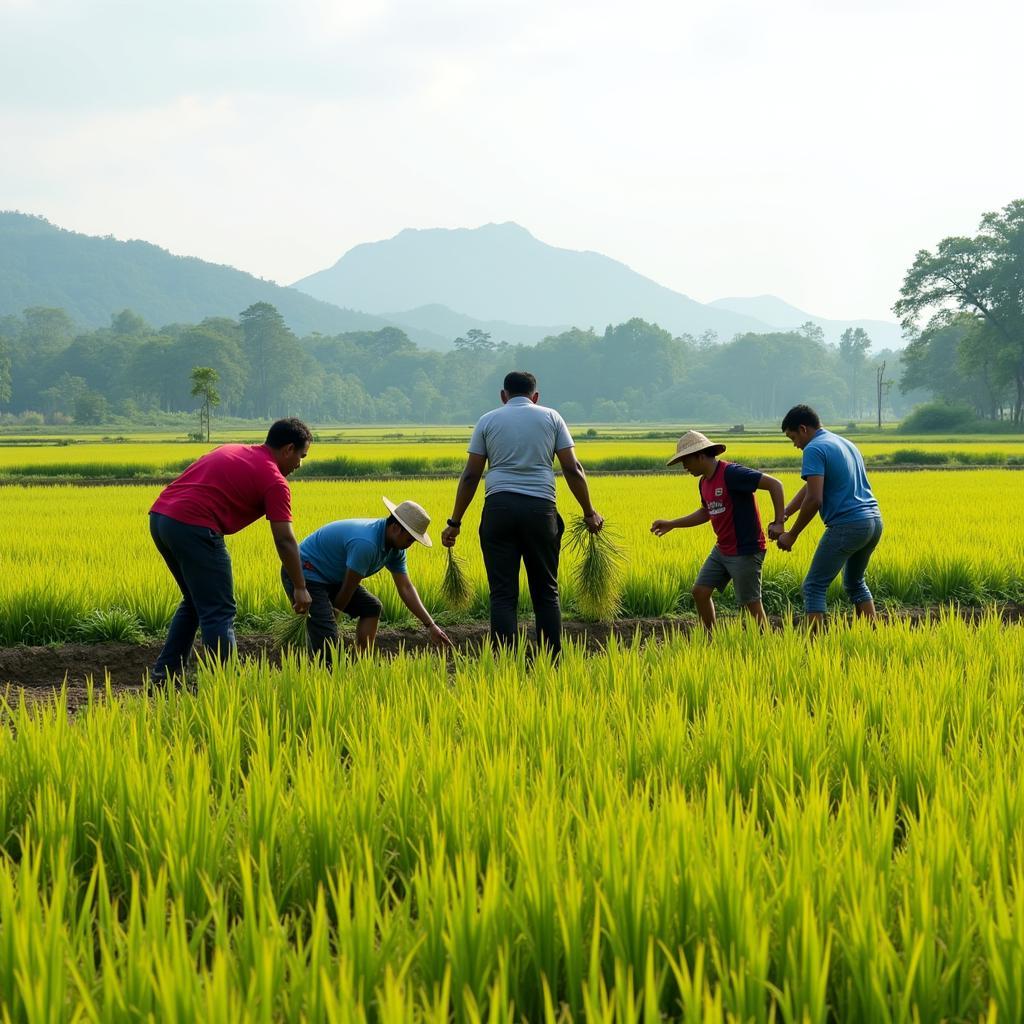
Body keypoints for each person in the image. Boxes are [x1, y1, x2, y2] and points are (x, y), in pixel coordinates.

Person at [441, 371, 603, 658]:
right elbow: (572, 468)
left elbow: (470, 476)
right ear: (535, 396)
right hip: (540, 511)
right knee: (546, 593)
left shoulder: (488, 420)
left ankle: (505, 662)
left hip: (498, 509)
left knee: (502, 595)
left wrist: (455, 522)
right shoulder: (552, 417)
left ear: (503, 396)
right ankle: (551, 661)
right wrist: (589, 513)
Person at [149, 417, 313, 685]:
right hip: (195, 527)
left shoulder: (231, 449)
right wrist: (300, 586)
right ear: (288, 449)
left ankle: (163, 676)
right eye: (301, 456)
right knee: (219, 611)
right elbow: (284, 539)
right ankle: (226, 684)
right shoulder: (275, 481)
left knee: (195, 602)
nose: (299, 464)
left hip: (160, 519)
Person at [282, 497, 454, 658]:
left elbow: (406, 588)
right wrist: (334, 613)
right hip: (304, 573)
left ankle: (362, 660)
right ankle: (322, 671)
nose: (410, 545)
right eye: (410, 539)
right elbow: (348, 586)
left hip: (332, 578)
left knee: (371, 607)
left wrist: (430, 625)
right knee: (328, 641)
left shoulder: (396, 549)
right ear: (395, 528)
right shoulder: (367, 544)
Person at [651, 430, 785, 631]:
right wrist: (672, 523)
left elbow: (775, 484)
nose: (684, 467)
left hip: (745, 549)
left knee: (751, 603)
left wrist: (779, 522)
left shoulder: (732, 473)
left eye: (685, 461)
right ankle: (710, 638)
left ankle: (766, 644)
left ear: (700, 455)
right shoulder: (703, 482)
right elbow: (706, 512)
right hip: (722, 549)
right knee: (700, 592)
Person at [773, 404, 883, 627]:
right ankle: (872, 635)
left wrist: (792, 535)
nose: (795, 444)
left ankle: (815, 644)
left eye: (792, 437)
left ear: (803, 429)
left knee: (813, 586)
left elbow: (814, 499)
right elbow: (811, 487)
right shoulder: (843, 443)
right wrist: (785, 513)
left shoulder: (814, 448)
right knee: (855, 582)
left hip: (848, 525)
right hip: (873, 522)